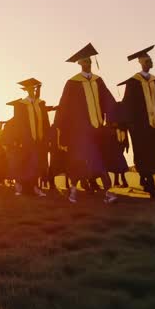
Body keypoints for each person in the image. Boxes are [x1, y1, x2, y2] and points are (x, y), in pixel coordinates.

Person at [53, 43, 119, 204]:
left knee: (100, 160)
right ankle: (74, 191)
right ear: (80, 64)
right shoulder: (72, 83)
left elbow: (108, 100)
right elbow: (64, 106)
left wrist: (114, 119)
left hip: (97, 128)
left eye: (89, 62)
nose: (87, 65)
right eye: (84, 62)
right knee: (80, 161)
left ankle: (108, 193)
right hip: (80, 132)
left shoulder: (98, 81)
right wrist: (61, 129)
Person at [116, 46, 155, 200]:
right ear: (141, 63)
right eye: (148, 60)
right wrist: (128, 124)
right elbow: (128, 103)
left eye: (151, 60)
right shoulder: (133, 82)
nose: (151, 62)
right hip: (139, 127)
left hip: (154, 125)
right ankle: (150, 185)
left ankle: (146, 179)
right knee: (143, 154)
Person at [5, 78, 51, 197]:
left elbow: (46, 122)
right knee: (24, 164)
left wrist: (47, 138)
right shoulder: (21, 105)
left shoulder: (40, 104)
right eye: (29, 88)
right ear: (26, 90)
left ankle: (35, 188)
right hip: (25, 141)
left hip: (38, 140)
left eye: (34, 88)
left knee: (37, 164)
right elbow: (18, 123)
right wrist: (17, 140)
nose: (32, 90)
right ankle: (20, 187)